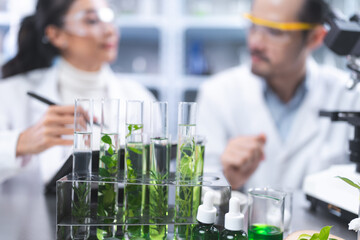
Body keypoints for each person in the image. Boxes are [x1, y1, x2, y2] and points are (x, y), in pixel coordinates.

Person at [197, 0, 360, 190]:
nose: (255, 42)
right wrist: (228, 180)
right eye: (253, 25)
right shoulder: (217, 94)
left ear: (315, 37)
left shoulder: (350, 97)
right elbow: (199, 194)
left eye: (275, 31)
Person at [0, 0, 155, 189]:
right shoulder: (10, 94)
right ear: (56, 35)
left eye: (109, 18)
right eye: (92, 20)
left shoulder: (140, 97)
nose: (110, 30)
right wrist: (19, 144)